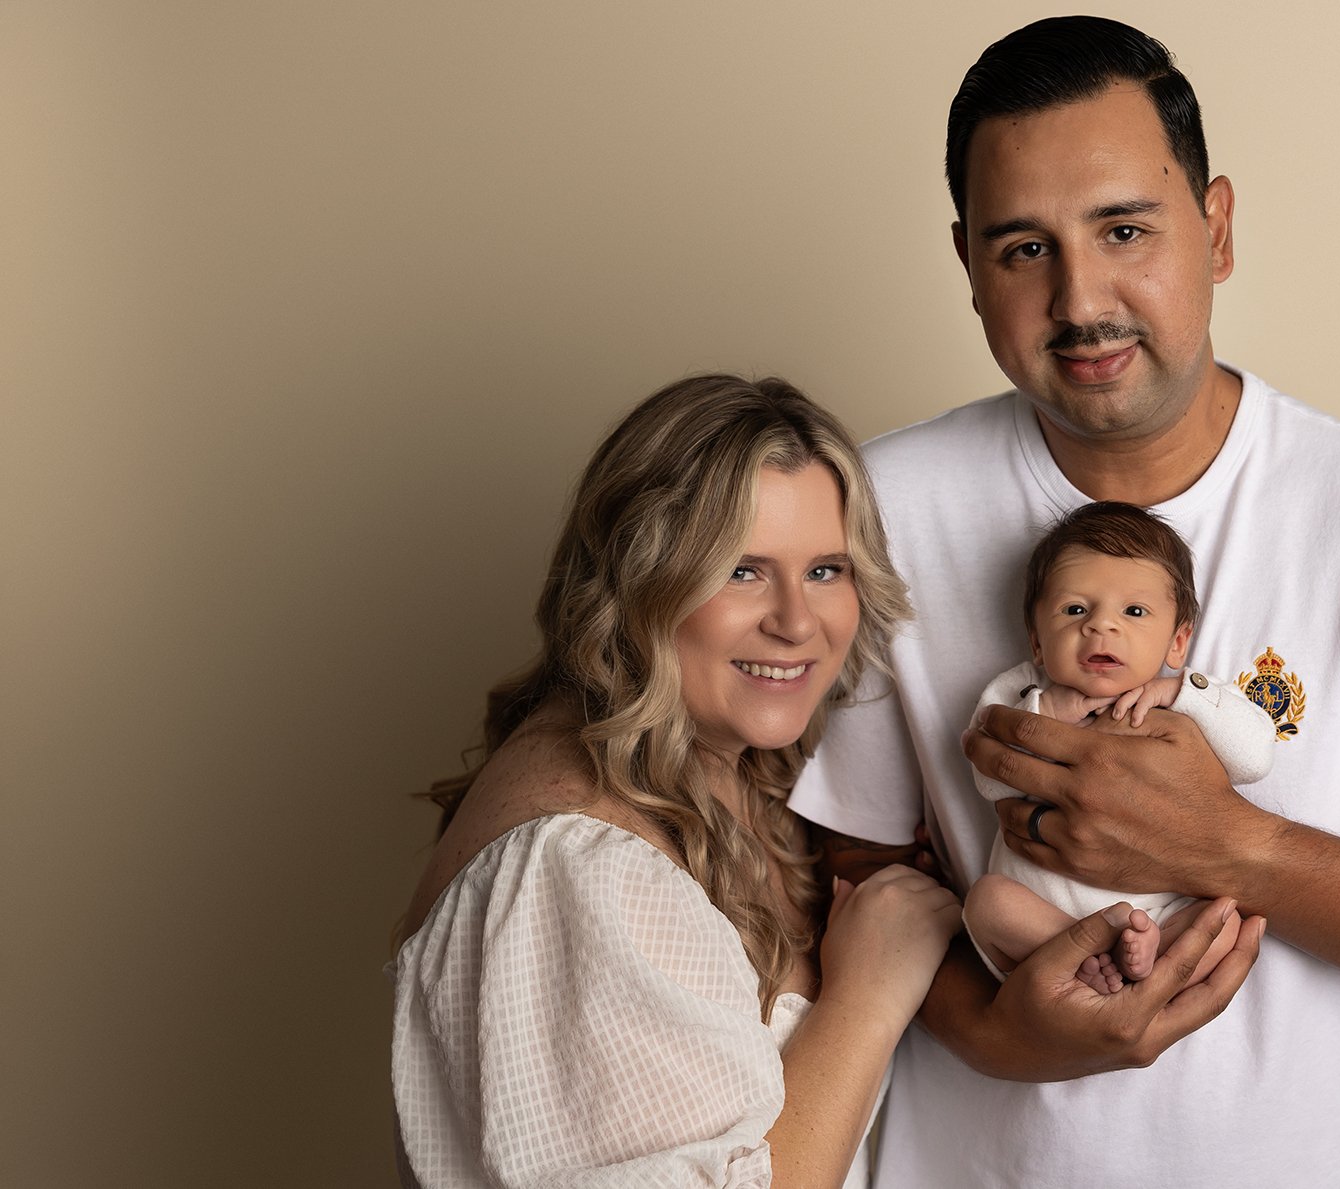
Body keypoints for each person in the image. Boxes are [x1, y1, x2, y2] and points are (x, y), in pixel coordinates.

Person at [787, 17, 1340, 1188]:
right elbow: (850, 881)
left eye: (1124, 229)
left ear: (1214, 229)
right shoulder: (880, 508)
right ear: (965, 266)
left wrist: (1232, 845)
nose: (1079, 299)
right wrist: (1004, 1036)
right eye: (1021, 250)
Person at [390, 374, 963, 1189]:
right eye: (742, 571)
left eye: (827, 569)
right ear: (639, 582)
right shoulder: (578, 866)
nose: (798, 622)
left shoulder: (741, 772)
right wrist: (868, 996)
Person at [960, 501, 1274, 995]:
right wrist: (1046, 712)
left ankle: (1142, 954)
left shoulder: (1189, 701)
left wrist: (1182, 692)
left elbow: (1255, 759)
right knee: (986, 903)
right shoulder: (1020, 693)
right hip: (1041, 917)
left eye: (1134, 611)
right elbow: (988, 777)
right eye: (1075, 609)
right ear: (1038, 641)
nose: (1101, 626)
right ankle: (1081, 954)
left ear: (1177, 642)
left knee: (1225, 923)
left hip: (1153, 916)